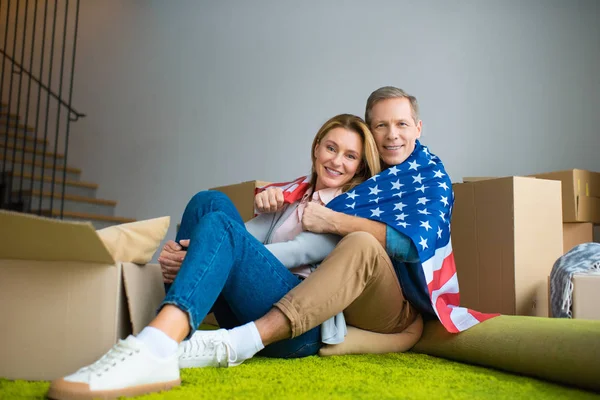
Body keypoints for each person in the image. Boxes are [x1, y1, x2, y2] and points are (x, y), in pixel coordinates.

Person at [47, 114, 381, 400]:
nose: (337, 161)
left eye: (350, 157)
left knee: (222, 229)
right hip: (249, 305)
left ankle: (156, 345)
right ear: (317, 147)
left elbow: (294, 253)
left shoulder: (349, 208)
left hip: (295, 327)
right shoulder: (293, 194)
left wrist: (212, 252)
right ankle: (169, 330)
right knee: (208, 202)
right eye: (332, 148)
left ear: (358, 168)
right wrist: (201, 253)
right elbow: (243, 237)